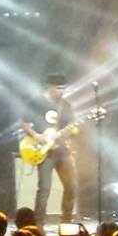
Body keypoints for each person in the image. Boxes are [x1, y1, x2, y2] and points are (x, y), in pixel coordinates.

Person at [23, 75, 77, 223]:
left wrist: (69, 132)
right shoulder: (37, 103)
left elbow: (72, 125)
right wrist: (36, 136)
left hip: (63, 151)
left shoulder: (66, 105)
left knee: (71, 186)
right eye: (58, 88)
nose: (62, 91)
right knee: (44, 189)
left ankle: (66, 222)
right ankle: (39, 223)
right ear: (49, 87)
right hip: (44, 153)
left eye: (63, 88)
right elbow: (23, 123)